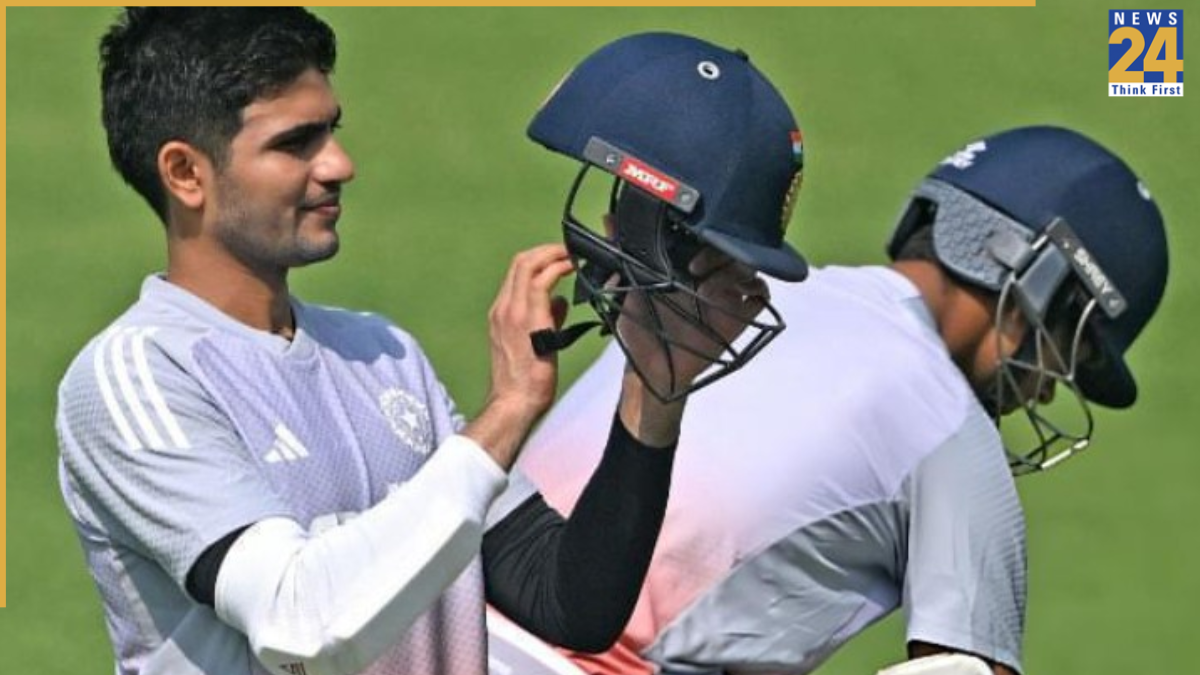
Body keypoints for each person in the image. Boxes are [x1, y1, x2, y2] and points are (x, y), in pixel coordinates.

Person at [53, 11, 804, 675]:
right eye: (295, 143)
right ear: (186, 172)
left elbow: (567, 598)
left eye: (332, 130)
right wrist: (505, 414)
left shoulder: (382, 354)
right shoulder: (137, 377)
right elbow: (300, 621)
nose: (339, 164)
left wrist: (655, 389)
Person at [515, 125, 1169, 675]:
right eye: (1071, 353)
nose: (1050, 385)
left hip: (443, 623)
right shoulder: (954, 432)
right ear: (1037, 283)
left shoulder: (718, 296)